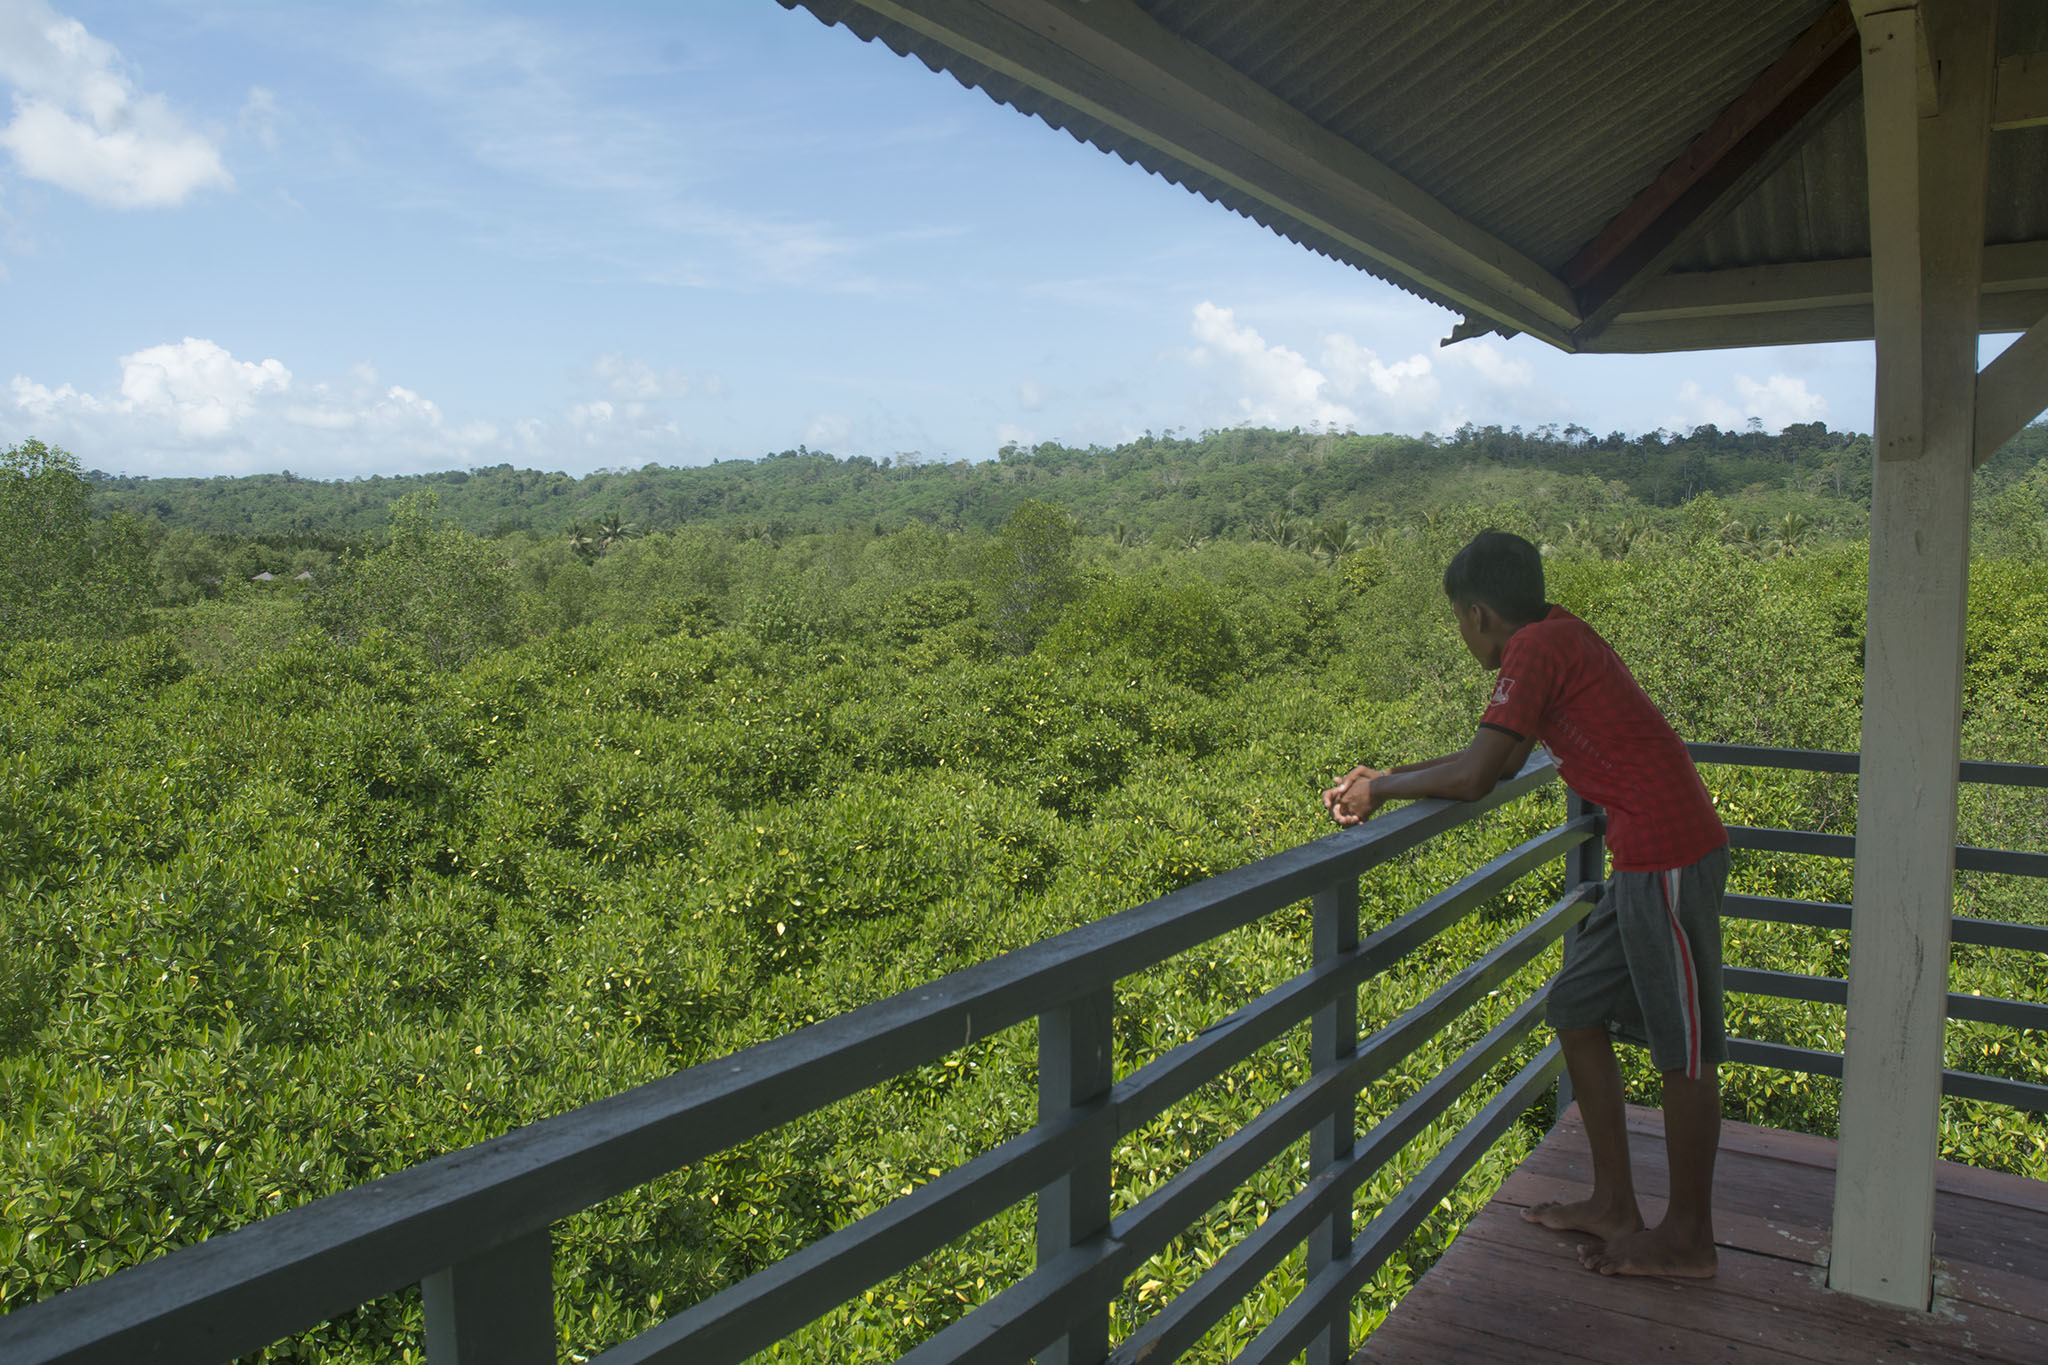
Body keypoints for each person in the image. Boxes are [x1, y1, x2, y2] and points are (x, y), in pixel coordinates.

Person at [1321, 529, 1729, 1278]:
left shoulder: (1535, 651)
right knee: (1576, 1008)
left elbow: (1477, 775)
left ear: (1478, 614)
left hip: (1669, 853)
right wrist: (1384, 777)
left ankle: (1689, 1238)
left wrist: (1378, 789)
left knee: (1685, 1051)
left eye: (1457, 620)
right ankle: (1614, 1202)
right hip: (1639, 857)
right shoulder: (1554, 633)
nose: (1461, 634)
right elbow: (1499, 756)